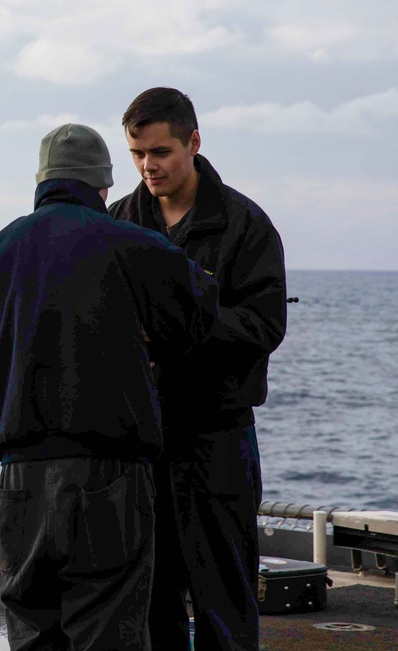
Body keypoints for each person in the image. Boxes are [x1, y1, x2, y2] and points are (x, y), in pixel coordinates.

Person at [0, 123, 220, 651]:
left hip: (16, 483)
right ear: (104, 186)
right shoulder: (131, 243)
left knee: (33, 635)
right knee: (108, 629)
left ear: (41, 182)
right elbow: (202, 305)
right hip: (107, 476)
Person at [109, 87, 287, 651]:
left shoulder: (246, 225)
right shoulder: (118, 221)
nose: (147, 166)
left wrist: (179, 326)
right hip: (140, 442)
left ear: (194, 141)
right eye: (137, 154)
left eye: (160, 152)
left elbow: (264, 327)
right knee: (151, 600)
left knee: (225, 602)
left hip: (217, 439)